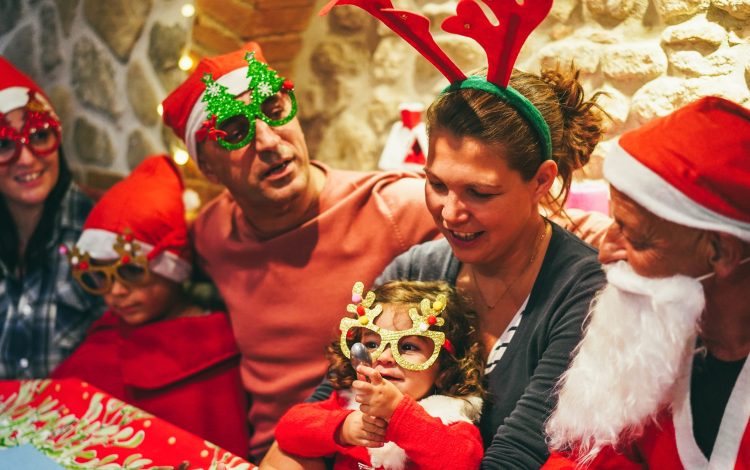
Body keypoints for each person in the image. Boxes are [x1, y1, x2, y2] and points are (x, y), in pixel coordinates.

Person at [304, 2, 608, 468]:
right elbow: (330, 404)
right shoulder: (415, 270)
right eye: (437, 184)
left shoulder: (581, 290)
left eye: (480, 193)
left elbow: (517, 456)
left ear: (541, 182)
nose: (450, 213)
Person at [160, 42, 439, 461]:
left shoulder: (393, 206)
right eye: (235, 131)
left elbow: (510, 222)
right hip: (266, 453)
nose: (270, 142)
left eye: (273, 110)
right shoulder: (212, 234)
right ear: (209, 168)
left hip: (363, 449)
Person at [543, 96, 750, 469]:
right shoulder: (661, 342)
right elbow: (582, 456)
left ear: (721, 253)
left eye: (636, 238)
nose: (604, 253)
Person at [51, 155, 249, 457]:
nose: (116, 291)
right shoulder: (105, 339)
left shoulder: (218, 349)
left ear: (172, 269)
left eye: (131, 271)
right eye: (99, 276)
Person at [274, 280, 485, 470]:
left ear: (445, 369)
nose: (384, 356)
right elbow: (287, 431)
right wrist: (343, 428)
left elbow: (463, 463)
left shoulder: (451, 418)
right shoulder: (348, 403)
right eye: (372, 344)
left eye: (408, 346)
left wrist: (398, 413)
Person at [0, 56, 104, 379]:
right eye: (4, 144)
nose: (27, 159)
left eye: (39, 136)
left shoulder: (98, 231)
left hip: (80, 422)